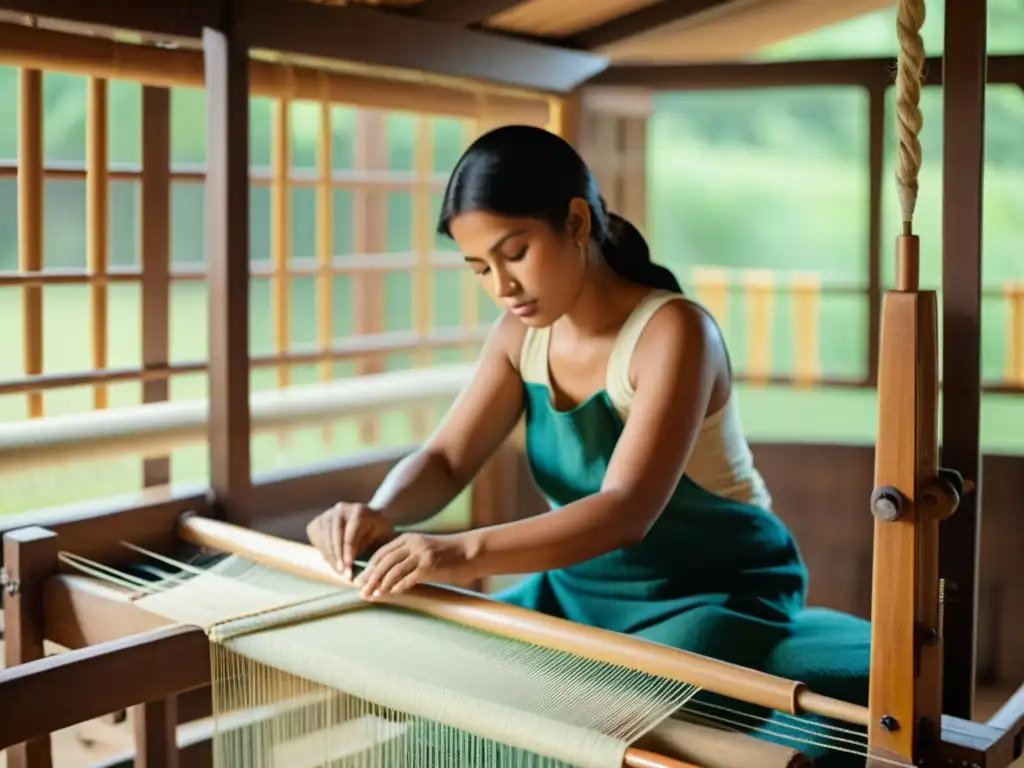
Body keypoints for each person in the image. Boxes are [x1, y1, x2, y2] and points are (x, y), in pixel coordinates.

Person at [306, 124, 869, 765]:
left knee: (592, 718)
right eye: (480, 268)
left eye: (514, 252)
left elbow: (627, 508)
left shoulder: (674, 333)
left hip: (714, 591)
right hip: (578, 587)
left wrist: (458, 550)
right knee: (452, 703)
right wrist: (381, 512)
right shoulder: (519, 338)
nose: (501, 285)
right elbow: (446, 458)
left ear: (575, 223)